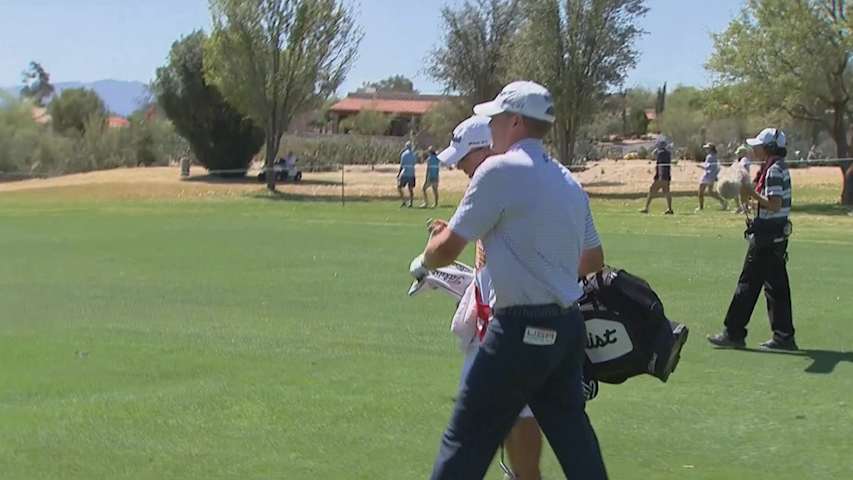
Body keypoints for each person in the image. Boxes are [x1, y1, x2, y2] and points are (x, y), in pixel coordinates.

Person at [410, 81, 608, 479]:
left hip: (519, 330)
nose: (494, 125)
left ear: (516, 121)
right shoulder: (568, 180)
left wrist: (429, 250)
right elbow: (593, 259)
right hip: (566, 329)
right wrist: (546, 271)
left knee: (465, 439)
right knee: (575, 439)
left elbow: (447, 249)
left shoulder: (498, 170)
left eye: (498, 118)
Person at [708, 128, 796, 351]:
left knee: (747, 285)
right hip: (775, 236)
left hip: (767, 236)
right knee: (776, 288)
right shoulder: (777, 168)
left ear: (768, 148)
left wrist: (751, 192)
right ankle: (783, 337)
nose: (754, 149)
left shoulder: (774, 171)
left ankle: (734, 333)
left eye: (758, 145)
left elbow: (774, 203)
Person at [640, 138, 674, 214]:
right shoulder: (668, 153)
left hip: (661, 176)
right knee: (666, 192)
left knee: (652, 190)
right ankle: (670, 209)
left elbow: (655, 159)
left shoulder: (661, 153)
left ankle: (646, 208)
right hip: (666, 175)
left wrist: (660, 177)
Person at [696, 143, 727, 212]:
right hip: (711, 176)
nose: (706, 149)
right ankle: (723, 201)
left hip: (707, 176)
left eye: (707, 148)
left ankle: (701, 207)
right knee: (710, 192)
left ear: (711, 149)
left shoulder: (710, 157)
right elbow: (716, 167)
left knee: (701, 192)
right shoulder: (714, 156)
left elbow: (708, 167)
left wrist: (700, 166)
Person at [397, 141, 417, 207]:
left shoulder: (404, 154)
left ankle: (404, 201)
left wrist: (399, 173)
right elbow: (414, 163)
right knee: (410, 189)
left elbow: (402, 165)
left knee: (399, 187)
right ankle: (411, 203)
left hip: (405, 173)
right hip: (412, 173)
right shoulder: (414, 154)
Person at [734, 145, 753, 214]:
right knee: (739, 195)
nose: (738, 155)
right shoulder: (741, 160)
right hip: (741, 179)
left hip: (744, 179)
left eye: (739, 153)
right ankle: (742, 208)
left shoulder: (744, 159)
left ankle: (746, 209)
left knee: (743, 196)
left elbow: (743, 167)